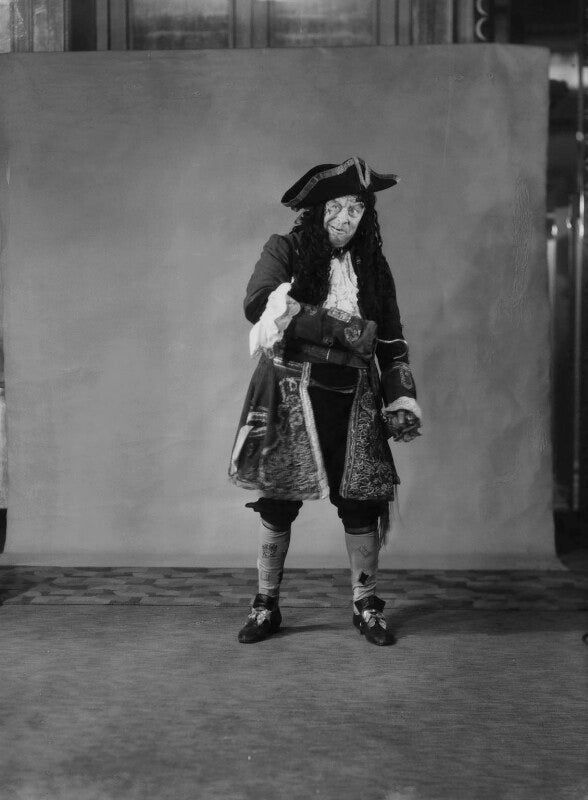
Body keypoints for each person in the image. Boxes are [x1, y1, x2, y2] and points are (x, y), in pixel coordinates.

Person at [229, 157, 421, 646]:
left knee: (362, 501)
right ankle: (265, 604)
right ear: (317, 210)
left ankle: (366, 604)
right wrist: (349, 330)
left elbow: (390, 340)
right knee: (278, 500)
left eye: (356, 208)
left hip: (355, 396)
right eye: (336, 206)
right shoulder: (285, 249)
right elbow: (260, 304)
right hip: (290, 389)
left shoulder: (373, 267)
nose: (345, 218)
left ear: (366, 214)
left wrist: (401, 398)